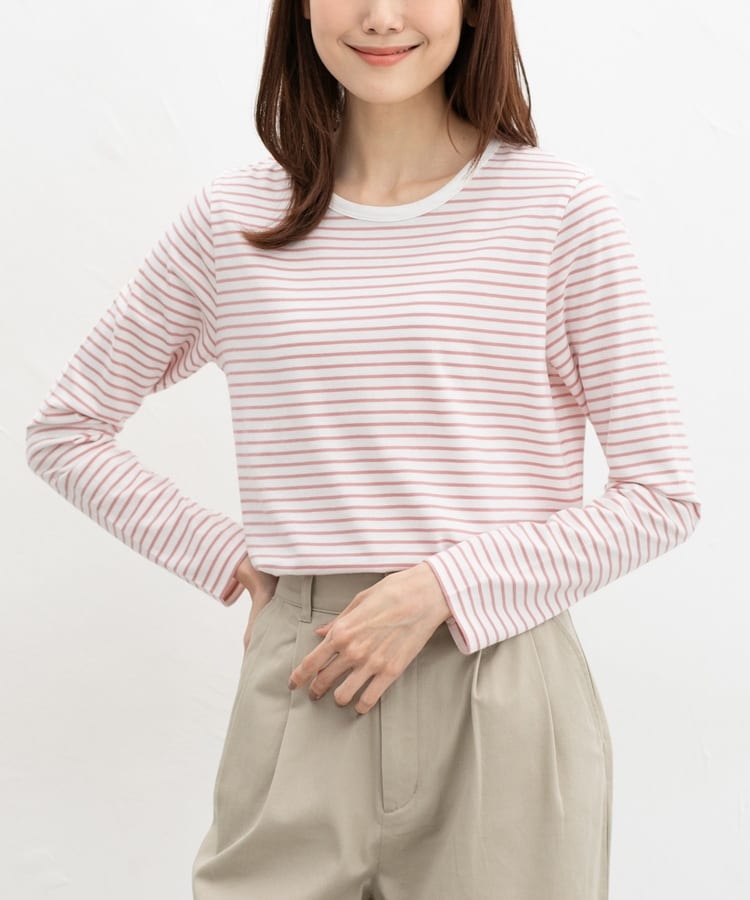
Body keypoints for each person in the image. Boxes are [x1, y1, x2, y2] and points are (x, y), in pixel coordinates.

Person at [25, 1, 702, 898]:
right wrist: (232, 558)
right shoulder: (234, 219)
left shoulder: (557, 211)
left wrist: (445, 588)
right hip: (307, 672)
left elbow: (661, 495)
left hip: (499, 681)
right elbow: (66, 430)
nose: (381, 16)